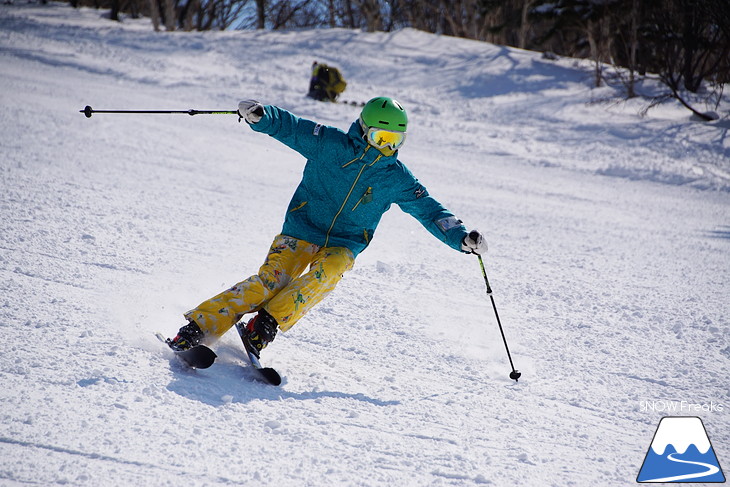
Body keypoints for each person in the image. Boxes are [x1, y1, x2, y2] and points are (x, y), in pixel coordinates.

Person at [168, 97, 488, 360]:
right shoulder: (330, 144)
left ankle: (263, 325)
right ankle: (196, 329)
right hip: (302, 229)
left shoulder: (396, 177)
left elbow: (429, 209)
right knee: (270, 282)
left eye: (394, 141)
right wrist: (262, 117)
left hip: (345, 242)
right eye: (380, 138)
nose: (385, 148)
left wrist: (461, 237)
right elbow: (292, 128)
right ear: (364, 130)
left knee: (331, 269)